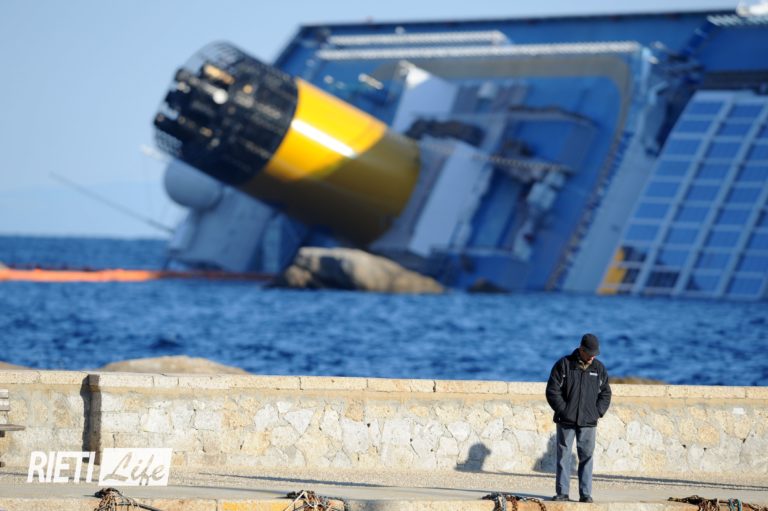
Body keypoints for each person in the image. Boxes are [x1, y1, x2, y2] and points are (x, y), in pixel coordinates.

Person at [545, 333, 611, 503]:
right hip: (566, 420)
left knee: (587, 457)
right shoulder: (564, 365)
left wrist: (597, 412)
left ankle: (585, 494)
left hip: (589, 421)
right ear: (581, 349)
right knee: (563, 456)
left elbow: (605, 393)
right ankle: (562, 493)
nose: (593, 357)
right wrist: (563, 410)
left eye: (595, 354)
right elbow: (552, 390)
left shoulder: (599, 368)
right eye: (590, 353)